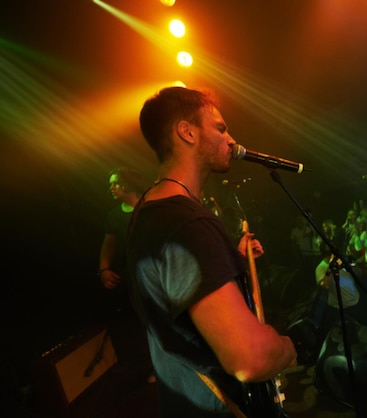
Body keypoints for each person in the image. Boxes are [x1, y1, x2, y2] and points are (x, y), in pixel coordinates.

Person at [127, 86, 297, 417]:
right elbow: (251, 358)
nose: (231, 140)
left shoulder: (149, 212)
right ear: (186, 132)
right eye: (220, 128)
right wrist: (287, 348)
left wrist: (230, 258)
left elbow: (179, 308)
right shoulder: (185, 223)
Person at [97, 166, 153, 380]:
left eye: (114, 182)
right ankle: (157, 367)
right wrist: (103, 269)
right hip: (136, 280)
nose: (110, 187)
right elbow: (108, 245)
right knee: (147, 324)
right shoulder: (114, 215)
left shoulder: (150, 204)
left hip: (162, 272)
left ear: (128, 182)